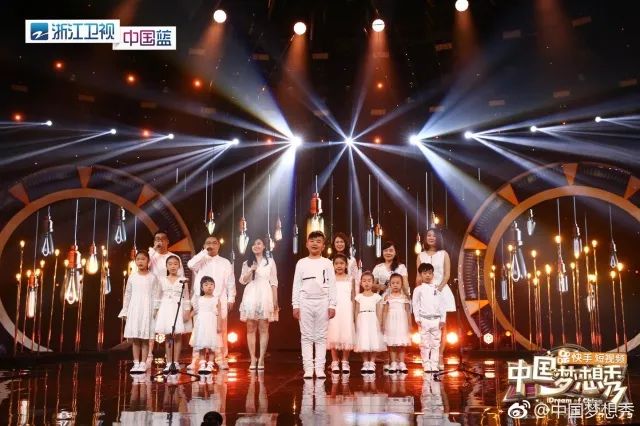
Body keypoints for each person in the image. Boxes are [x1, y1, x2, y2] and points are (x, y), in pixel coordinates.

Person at [292, 231, 337, 379]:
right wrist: (295, 305)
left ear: (323, 246)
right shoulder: (301, 262)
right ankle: (308, 369)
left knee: (321, 337)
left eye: (318, 241)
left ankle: (319, 368)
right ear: (306, 244)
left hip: (323, 301)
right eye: (312, 241)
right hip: (305, 301)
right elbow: (296, 285)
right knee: (306, 336)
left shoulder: (327, 263)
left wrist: (332, 305)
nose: (315, 244)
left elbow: (332, 285)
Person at [187, 235, 235, 371]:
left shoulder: (225, 262)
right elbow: (190, 265)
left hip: (219, 300)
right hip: (202, 301)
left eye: (214, 243)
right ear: (204, 245)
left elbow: (230, 281)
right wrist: (204, 252)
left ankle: (220, 359)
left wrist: (231, 298)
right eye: (208, 243)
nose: (211, 245)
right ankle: (196, 360)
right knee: (199, 330)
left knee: (220, 330)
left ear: (219, 245)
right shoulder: (200, 260)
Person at [415, 228, 455, 369]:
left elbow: (447, 275)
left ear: (438, 238)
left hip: (441, 290)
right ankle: (427, 358)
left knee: (441, 326)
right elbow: (418, 276)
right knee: (425, 327)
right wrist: (418, 293)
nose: (431, 237)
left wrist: (438, 289)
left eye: (434, 235)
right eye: (429, 235)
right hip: (425, 293)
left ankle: (439, 356)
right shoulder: (420, 255)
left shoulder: (444, 254)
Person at [238, 237, 279, 370]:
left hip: (265, 294)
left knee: (264, 327)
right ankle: (252, 358)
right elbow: (242, 281)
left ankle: (261, 358)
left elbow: (274, 282)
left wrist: (275, 300)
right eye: (254, 244)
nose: (256, 246)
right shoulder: (247, 263)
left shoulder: (270, 262)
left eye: (259, 243)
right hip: (251, 294)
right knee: (250, 327)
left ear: (263, 246)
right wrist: (251, 270)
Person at [147, 230, 185, 367]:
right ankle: (149, 357)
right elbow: (143, 266)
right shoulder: (151, 255)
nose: (159, 241)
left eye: (162, 239)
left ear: (167, 241)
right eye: (157, 239)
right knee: (152, 328)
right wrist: (153, 250)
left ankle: (172, 360)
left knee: (173, 331)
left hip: (172, 298)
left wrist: (185, 305)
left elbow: (182, 279)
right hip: (154, 295)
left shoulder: (173, 257)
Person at [118, 250, 160, 373]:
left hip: (147, 309)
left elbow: (156, 294)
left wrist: (155, 310)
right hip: (135, 309)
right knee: (136, 338)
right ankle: (136, 363)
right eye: (138, 259)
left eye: (143, 259)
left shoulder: (152, 277)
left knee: (145, 338)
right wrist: (125, 310)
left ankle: (143, 363)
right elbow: (128, 294)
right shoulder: (132, 277)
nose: (140, 261)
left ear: (148, 261)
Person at [154, 255, 191, 373]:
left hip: (178, 308)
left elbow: (186, 296)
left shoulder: (183, 280)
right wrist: (156, 310)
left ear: (179, 266)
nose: (173, 266)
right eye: (170, 264)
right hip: (166, 308)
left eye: (175, 264)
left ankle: (176, 361)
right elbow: (158, 296)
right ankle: (169, 362)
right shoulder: (162, 280)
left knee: (178, 335)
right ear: (166, 266)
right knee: (168, 336)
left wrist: (186, 310)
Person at [412, 263, 446, 373]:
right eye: (425, 273)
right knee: (424, 344)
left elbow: (442, 305)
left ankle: (434, 364)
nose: (427, 275)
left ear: (433, 275)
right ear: (420, 275)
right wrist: (417, 318)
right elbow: (415, 304)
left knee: (436, 344)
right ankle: (426, 364)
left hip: (436, 320)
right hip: (424, 319)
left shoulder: (437, 289)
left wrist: (443, 319)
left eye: (430, 273)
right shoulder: (418, 289)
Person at [326, 253, 356, 374]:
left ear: (346, 265)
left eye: (342, 263)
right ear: (333, 265)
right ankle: (334, 361)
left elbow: (353, 296)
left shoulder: (350, 278)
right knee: (333, 333)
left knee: (346, 333)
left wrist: (354, 311)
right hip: (334, 309)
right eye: (337, 263)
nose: (339, 266)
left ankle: (345, 361)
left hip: (347, 308)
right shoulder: (330, 279)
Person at [354, 271, 386, 374]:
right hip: (362, 319)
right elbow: (356, 311)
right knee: (363, 341)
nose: (366, 283)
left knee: (374, 340)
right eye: (364, 281)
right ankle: (365, 362)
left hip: (373, 319)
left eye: (369, 281)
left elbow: (379, 311)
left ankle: (372, 362)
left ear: (373, 282)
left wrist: (380, 322)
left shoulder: (376, 297)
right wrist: (355, 322)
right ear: (361, 283)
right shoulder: (359, 296)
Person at [190, 276, 222, 374]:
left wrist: (219, 325)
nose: (209, 286)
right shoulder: (199, 299)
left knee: (212, 345)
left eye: (211, 284)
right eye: (206, 284)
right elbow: (195, 311)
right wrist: (187, 318)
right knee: (201, 345)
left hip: (212, 323)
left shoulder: (216, 299)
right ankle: (202, 363)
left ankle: (210, 364)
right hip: (201, 325)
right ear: (202, 287)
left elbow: (219, 313)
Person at [382, 273, 411, 374]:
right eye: (393, 283)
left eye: (397, 283)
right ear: (390, 284)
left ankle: (402, 363)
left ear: (401, 284)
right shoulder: (387, 297)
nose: (395, 285)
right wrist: (383, 323)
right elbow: (385, 311)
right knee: (392, 343)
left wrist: (410, 324)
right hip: (391, 322)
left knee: (401, 343)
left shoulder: (404, 297)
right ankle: (393, 362)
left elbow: (408, 311)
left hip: (402, 322)